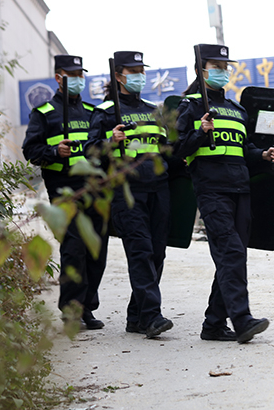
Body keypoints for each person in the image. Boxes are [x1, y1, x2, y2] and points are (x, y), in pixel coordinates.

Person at [176, 43, 274, 344]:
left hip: (240, 189)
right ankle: (242, 320)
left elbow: (244, 150)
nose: (222, 72)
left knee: (232, 257)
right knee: (231, 252)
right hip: (212, 191)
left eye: (225, 67)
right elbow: (176, 149)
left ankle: (213, 324)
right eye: (216, 67)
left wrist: (263, 155)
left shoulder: (237, 110)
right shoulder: (190, 106)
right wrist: (200, 132)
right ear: (201, 70)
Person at [84, 51, 171, 339]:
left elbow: (166, 148)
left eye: (141, 71)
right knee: (141, 252)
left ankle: (136, 316)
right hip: (126, 192)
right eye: (133, 71)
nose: (139, 76)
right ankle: (152, 316)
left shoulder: (154, 110)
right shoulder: (106, 111)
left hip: (158, 188)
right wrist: (110, 140)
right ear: (119, 75)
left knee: (157, 253)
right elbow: (89, 152)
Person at [22, 54, 109, 330]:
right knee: (74, 249)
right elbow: (31, 151)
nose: (79, 79)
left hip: (93, 188)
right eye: (73, 75)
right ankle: (71, 310)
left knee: (97, 250)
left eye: (81, 75)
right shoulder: (44, 113)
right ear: (59, 78)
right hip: (63, 189)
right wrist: (54, 152)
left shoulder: (92, 112)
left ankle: (87, 307)